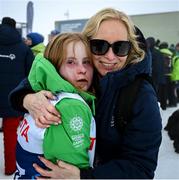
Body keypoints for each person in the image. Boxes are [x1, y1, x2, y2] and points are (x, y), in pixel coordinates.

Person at [9, 8, 162, 179]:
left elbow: (141, 167)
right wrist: (27, 98)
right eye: (100, 46)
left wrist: (84, 177)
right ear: (87, 43)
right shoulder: (84, 72)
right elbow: (41, 76)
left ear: (131, 48)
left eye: (120, 47)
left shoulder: (141, 95)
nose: (110, 57)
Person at [14, 33, 96, 179]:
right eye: (70, 62)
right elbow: (70, 166)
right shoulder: (71, 106)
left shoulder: (47, 95)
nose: (82, 69)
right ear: (54, 66)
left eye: (87, 62)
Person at [0, 17, 34, 175]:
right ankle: (10, 168)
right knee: (11, 135)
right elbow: (31, 75)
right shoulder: (23, 48)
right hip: (12, 98)